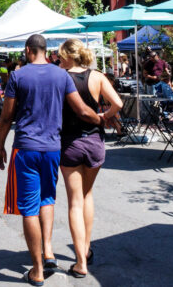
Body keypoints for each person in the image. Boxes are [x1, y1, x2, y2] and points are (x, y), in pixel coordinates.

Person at [0, 35, 104, 286]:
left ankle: (37, 270)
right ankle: (48, 251)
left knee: (28, 209)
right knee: (47, 199)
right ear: (46, 50)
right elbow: (81, 110)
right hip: (53, 149)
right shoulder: (61, 75)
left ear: (28, 50)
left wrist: (0, 147)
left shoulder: (18, 76)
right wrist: (102, 119)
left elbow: (6, 117)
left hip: (26, 148)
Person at [58, 39, 123, 278]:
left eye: (60, 56)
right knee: (87, 195)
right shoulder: (97, 76)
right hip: (95, 142)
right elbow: (118, 103)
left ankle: (80, 263)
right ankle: (85, 249)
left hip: (70, 142)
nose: (58, 59)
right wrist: (105, 116)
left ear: (68, 56)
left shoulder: (62, 77)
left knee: (75, 201)